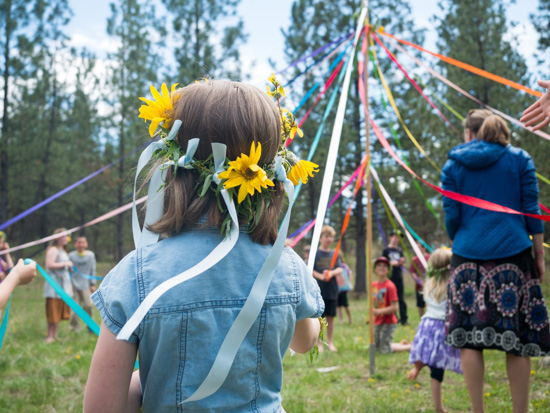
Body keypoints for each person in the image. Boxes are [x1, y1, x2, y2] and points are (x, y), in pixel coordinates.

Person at [84, 79, 323, 412]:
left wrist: (146, 383)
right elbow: (305, 341)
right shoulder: (285, 267)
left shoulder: (137, 274)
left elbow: (101, 408)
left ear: (173, 164)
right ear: (271, 173)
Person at [442, 114, 549, 413]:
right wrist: (539, 255)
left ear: (471, 132)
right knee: (516, 339)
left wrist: (460, 238)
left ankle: (478, 410)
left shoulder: (453, 165)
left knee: (468, 340)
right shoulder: (520, 159)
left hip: (466, 257)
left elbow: (451, 214)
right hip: (514, 255)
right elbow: (531, 208)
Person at [408, 248, 462, 413]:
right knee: (441, 364)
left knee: (434, 367)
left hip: (427, 325)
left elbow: (426, 305)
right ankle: (440, 407)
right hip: (443, 327)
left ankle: (418, 367)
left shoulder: (429, 284)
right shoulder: (454, 286)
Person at [312, 225, 344, 352]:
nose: (329, 239)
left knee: (330, 317)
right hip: (318, 290)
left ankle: (330, 343)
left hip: (332, 289)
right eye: (326, 236)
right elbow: (310, 270)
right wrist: (321, 276)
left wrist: (331, 274)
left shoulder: (335, 253)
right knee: (320, 317)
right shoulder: (316, 253)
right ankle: (319, 344)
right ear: (320, 238)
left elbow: (340, 268)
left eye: (331, 237)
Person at [371, 256, 411, 353]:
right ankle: (402, 344)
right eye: (379, 265)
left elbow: (394, 307)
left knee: (384, 350)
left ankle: (410, 347)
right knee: (376, 347)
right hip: (378, 320)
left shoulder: (390, 286)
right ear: (375, 269)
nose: (382, 268)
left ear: (388, 270)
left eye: (385, 266)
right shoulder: (374, 285)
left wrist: (379, 311)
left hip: (388, 322)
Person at [44, 228, 74, 343]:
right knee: (53, 310)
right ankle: (49, 336)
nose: (66, 238)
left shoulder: (63, 251)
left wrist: (68, 267)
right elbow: (49, 264)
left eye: (67, 236)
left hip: (63, 286)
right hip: (54, 286)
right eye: (63, 236)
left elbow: (61, 265)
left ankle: (54, 334)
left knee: (59, 310)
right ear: (56, 238)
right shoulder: (53, 250)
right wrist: (65, 263)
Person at [68, 235, 97, 333]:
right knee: (75, 308)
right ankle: (74, 329)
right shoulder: (71, 256)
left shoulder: (90, 255)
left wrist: (92, 284)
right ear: (75, 244)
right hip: (74, 285)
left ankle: (90, 327)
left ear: (86, 244)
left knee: (89, 305)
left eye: (83, 242)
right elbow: (68, 272)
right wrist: (69, 285)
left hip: (86, 285)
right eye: (79, 242)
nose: (81, 245)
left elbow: (93, 269)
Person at [382, 230, 407, 325]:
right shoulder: (386, 250)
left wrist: (401, 262)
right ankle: (393, 318)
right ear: (390, 237)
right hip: (389, 278)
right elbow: (383, 263)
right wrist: (393, 263)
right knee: (391, 299)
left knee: (401, 299)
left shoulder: (399, 251)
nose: (397, 239)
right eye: (395, 237)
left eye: (399, 237)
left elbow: (402, 264)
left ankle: (404, 319)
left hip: (399, 277)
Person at [409, 241, 430, 318]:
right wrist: (419, 281)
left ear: (424, 248)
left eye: (419, 248)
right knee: (420, 304)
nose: (417, 249)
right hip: (419, 287)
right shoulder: (415, 259)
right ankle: (422, 319)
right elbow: (412, 272)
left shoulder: (430, 258)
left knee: (429, 303)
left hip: (429, 286)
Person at [336, 251, 352, 324]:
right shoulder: (334, 266)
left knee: (345, 304)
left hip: (343, 288)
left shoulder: (344, 266)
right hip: (337, 289)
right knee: (338, 306)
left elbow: (349, 273)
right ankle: (341, 320)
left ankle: (350, 318)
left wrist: (350, 283)